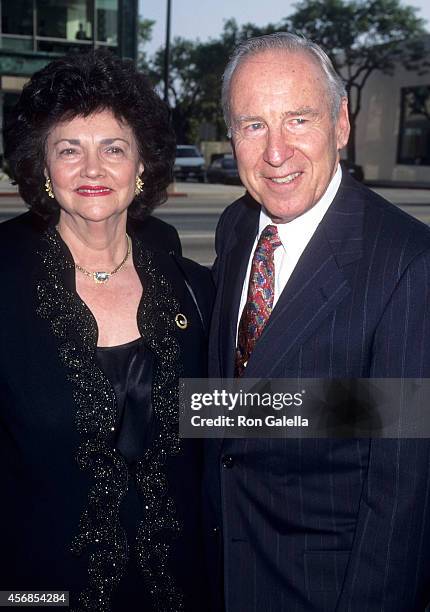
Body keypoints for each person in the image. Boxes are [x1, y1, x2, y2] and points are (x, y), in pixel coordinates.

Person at [204, 33, 430, 611]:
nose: (275, 152)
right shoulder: (236, 227)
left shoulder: (406, 263)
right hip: (221, 570)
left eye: (298, 119)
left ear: (341, 123)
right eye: (253, 125)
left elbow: (401, 489)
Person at [0, 50, 213, 612]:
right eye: (69, 149)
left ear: (141, 164)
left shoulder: (193, 288)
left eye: (113, 148)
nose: (92, 170)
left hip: (181, 590)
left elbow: (227, 414)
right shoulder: (4, 285)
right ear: (43, 169)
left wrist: (388, 410)